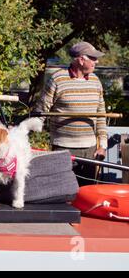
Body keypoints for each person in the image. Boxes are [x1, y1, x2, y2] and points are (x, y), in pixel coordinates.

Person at [36, 41, 107, 186]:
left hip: (90, 150)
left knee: (87, 193)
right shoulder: (57, 79)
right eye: (92, 58)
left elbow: (101, 115)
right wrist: (25, 133)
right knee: (62, 191)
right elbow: (41, 111)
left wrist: (103, 145)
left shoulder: (96, 81)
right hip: (63, 148)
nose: (96, 61)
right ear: (81, 60)